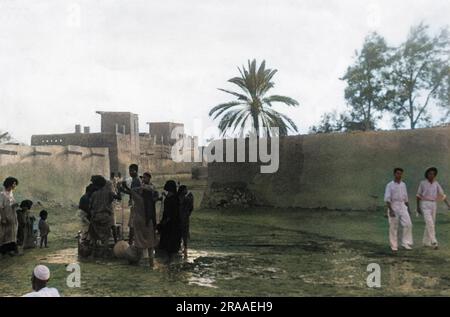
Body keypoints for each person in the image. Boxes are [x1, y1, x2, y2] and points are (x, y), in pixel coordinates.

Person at [120, 172, 157, 267]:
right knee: (150, 243)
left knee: (140, 242)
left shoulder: (139, 199)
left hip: (140, 222)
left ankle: (141, 262)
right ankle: (151, 263)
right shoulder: (151, 199)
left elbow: (131, 191)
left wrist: (125, 187)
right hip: (149, 222)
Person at [416, 167, 450, 249]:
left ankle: (425, 242)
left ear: (435, 175)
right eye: (429, 173)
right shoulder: (422, 183)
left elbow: (442, 195)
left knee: (431, 223)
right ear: (427, 174)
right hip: (425, 204)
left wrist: (448, 205)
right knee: (429, 222)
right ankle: (434, 241)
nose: (431, 175)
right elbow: (418, 196)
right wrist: (418, 207)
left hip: (433, 204)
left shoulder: (436, 184)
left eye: (433, 174)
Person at [384, 168, 413, 252]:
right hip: (393, 205)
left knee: (408, 224)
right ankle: (394, 245)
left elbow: (406, 198)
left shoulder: (403, 184)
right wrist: (391, 210)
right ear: (394, 174)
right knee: (393, 226)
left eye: (400, 174)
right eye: (397, 173)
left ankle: (405, 242)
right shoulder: (390, 185)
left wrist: (408, 208)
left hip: (402, 205)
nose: (399, 175)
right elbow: (387, 199)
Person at [89, 175, 119, 246]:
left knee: (94, 235)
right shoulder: (108, 192)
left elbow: (91, 207)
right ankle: (105, 251)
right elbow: (117, 197)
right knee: (106, 237)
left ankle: (94, 251)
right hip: (106, 218)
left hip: (96, 218)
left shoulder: (94, 194)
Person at [158, 180, 181, 262]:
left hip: (169, 225)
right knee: (172, 246)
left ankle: (169, 261)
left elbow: (169, 214)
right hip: (175, 225)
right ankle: (170, 261)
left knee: (168, 245)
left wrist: (163, 223)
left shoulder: (170, 200)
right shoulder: (176, 198)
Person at [0, 177, 19, 257]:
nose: (15, 185)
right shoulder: (2, 194)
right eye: (14, 184)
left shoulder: (11, 193)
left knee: (12, 234)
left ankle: (11, 250)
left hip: (12, 216)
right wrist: (3, 218)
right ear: (10, 184)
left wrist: (15, 205)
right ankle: (4, 252)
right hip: (6, 216)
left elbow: (11, 203)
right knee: (5, 234)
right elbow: (0, 207)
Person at [127, 164, 141, 245]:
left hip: (136, 204)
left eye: (132, 171)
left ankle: (131, 242)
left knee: (132, 224)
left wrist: (124, 188)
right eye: (130, 171)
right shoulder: (135, 180)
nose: (130, 172)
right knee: (132, 223)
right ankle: (132, 242)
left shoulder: (136, 180)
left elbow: (133, 192)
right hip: (134, 203)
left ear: (136, 171)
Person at [178, 185, 194, 257]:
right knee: (182, 235)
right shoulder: (185, 199)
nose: (186, 191)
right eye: (185, 189)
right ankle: (184, 250)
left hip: (183, 219)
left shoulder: (182, 198)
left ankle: (184, 249)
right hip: (182, 219)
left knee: (183, 235)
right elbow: (191, 208)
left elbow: (190, 208)